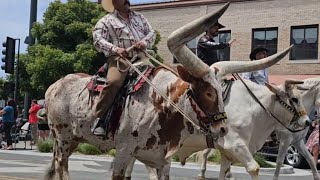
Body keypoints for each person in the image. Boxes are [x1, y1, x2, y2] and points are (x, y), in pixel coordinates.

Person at [92, 0, 155, 135]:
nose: (127, 0)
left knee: (161, 77)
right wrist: (115, 49)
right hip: (119, 58)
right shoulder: (106, 21)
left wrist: (144, 42)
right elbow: (97, 40)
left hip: (141, 56)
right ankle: (100, 118)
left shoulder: (140, 17)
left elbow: (151, 33)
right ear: (114, 2)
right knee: (114, 82)